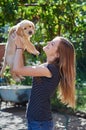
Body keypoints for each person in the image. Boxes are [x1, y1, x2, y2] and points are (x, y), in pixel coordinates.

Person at [12, 35, 76, 130]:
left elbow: (18, 69)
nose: (48, 42)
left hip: (40, 123)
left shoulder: (50, 70)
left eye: (52, 43)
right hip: (38, 121)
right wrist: (22, 43)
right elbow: (21, 68)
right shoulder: (47, 67)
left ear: (58, 54)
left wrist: (20, 47)